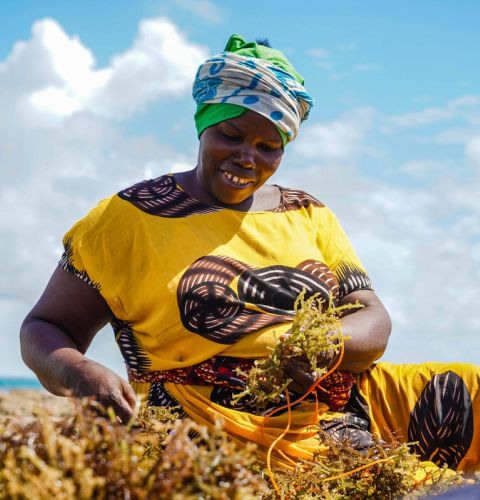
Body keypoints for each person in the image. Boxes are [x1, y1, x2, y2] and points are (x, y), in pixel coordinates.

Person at [20, 34, 480, 473]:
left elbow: (372, 317)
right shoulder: (130, 219)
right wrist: (79, 373)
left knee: (469, 387)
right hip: (210, 426)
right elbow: (45, 327)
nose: (248, 158)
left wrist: (324, 346)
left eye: (268, 147)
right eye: (232, 135)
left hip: (339, 408)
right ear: (203, 123)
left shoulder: (307, 213)